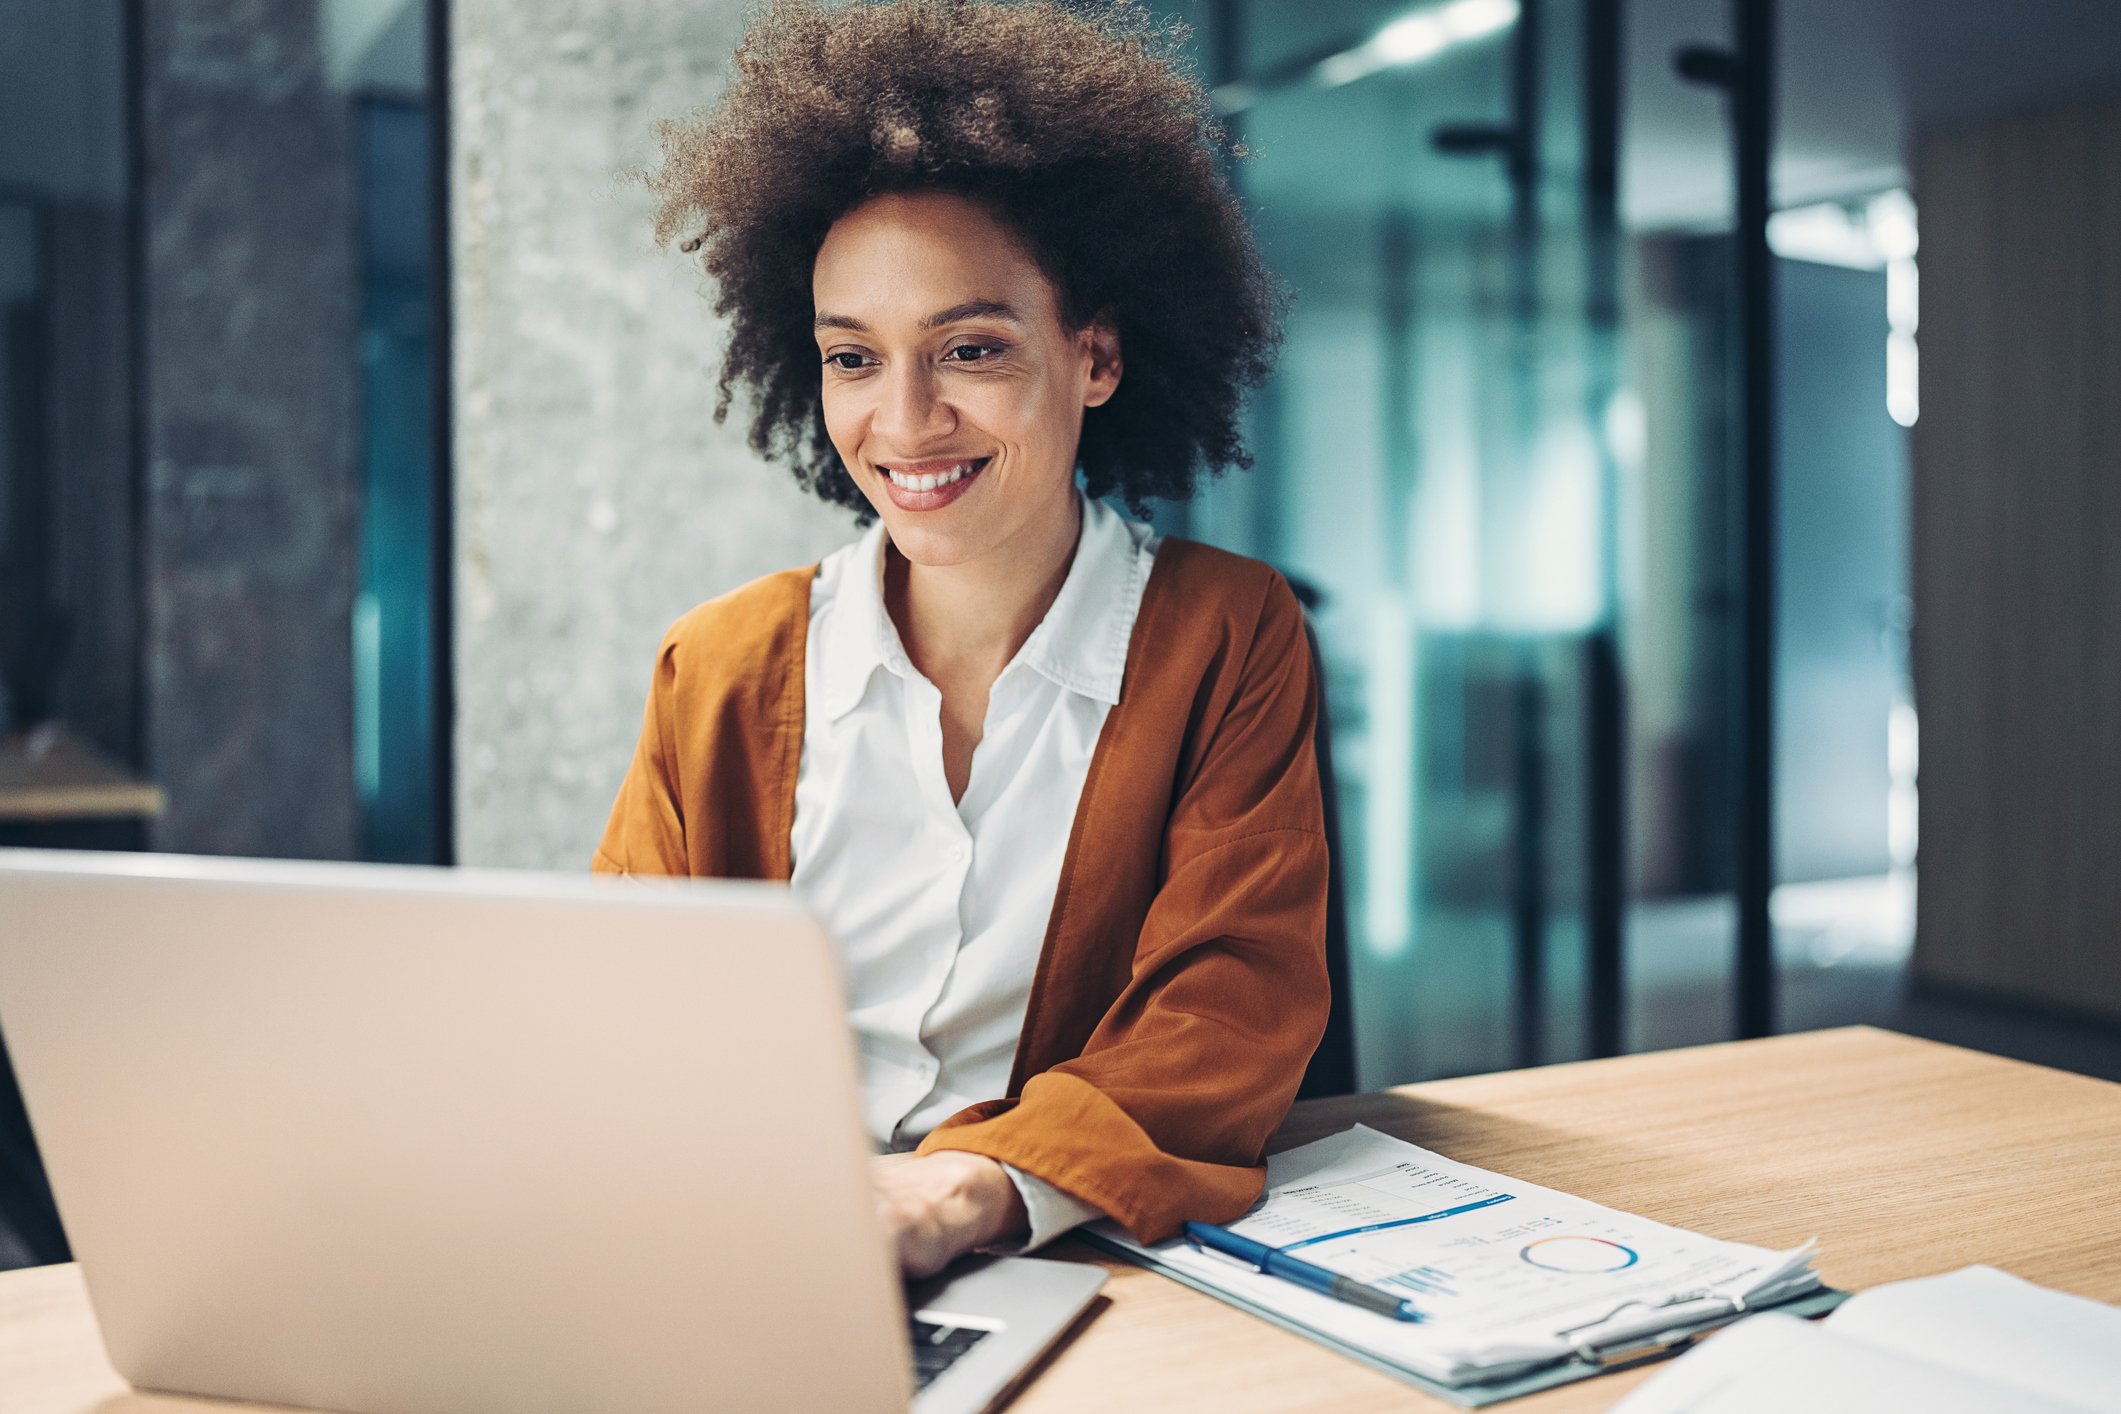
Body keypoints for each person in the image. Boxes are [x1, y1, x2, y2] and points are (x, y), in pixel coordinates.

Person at [595, 0, 1328, 1279]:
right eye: (851, 358)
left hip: (1054, 1258)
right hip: (753, 1256)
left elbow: (1231, 1009)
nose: (905, 420)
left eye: (970, 348)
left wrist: (959, 1194)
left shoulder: (1227, 635)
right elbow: (617, 1013)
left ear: (1092, 354)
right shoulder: (719, 667)